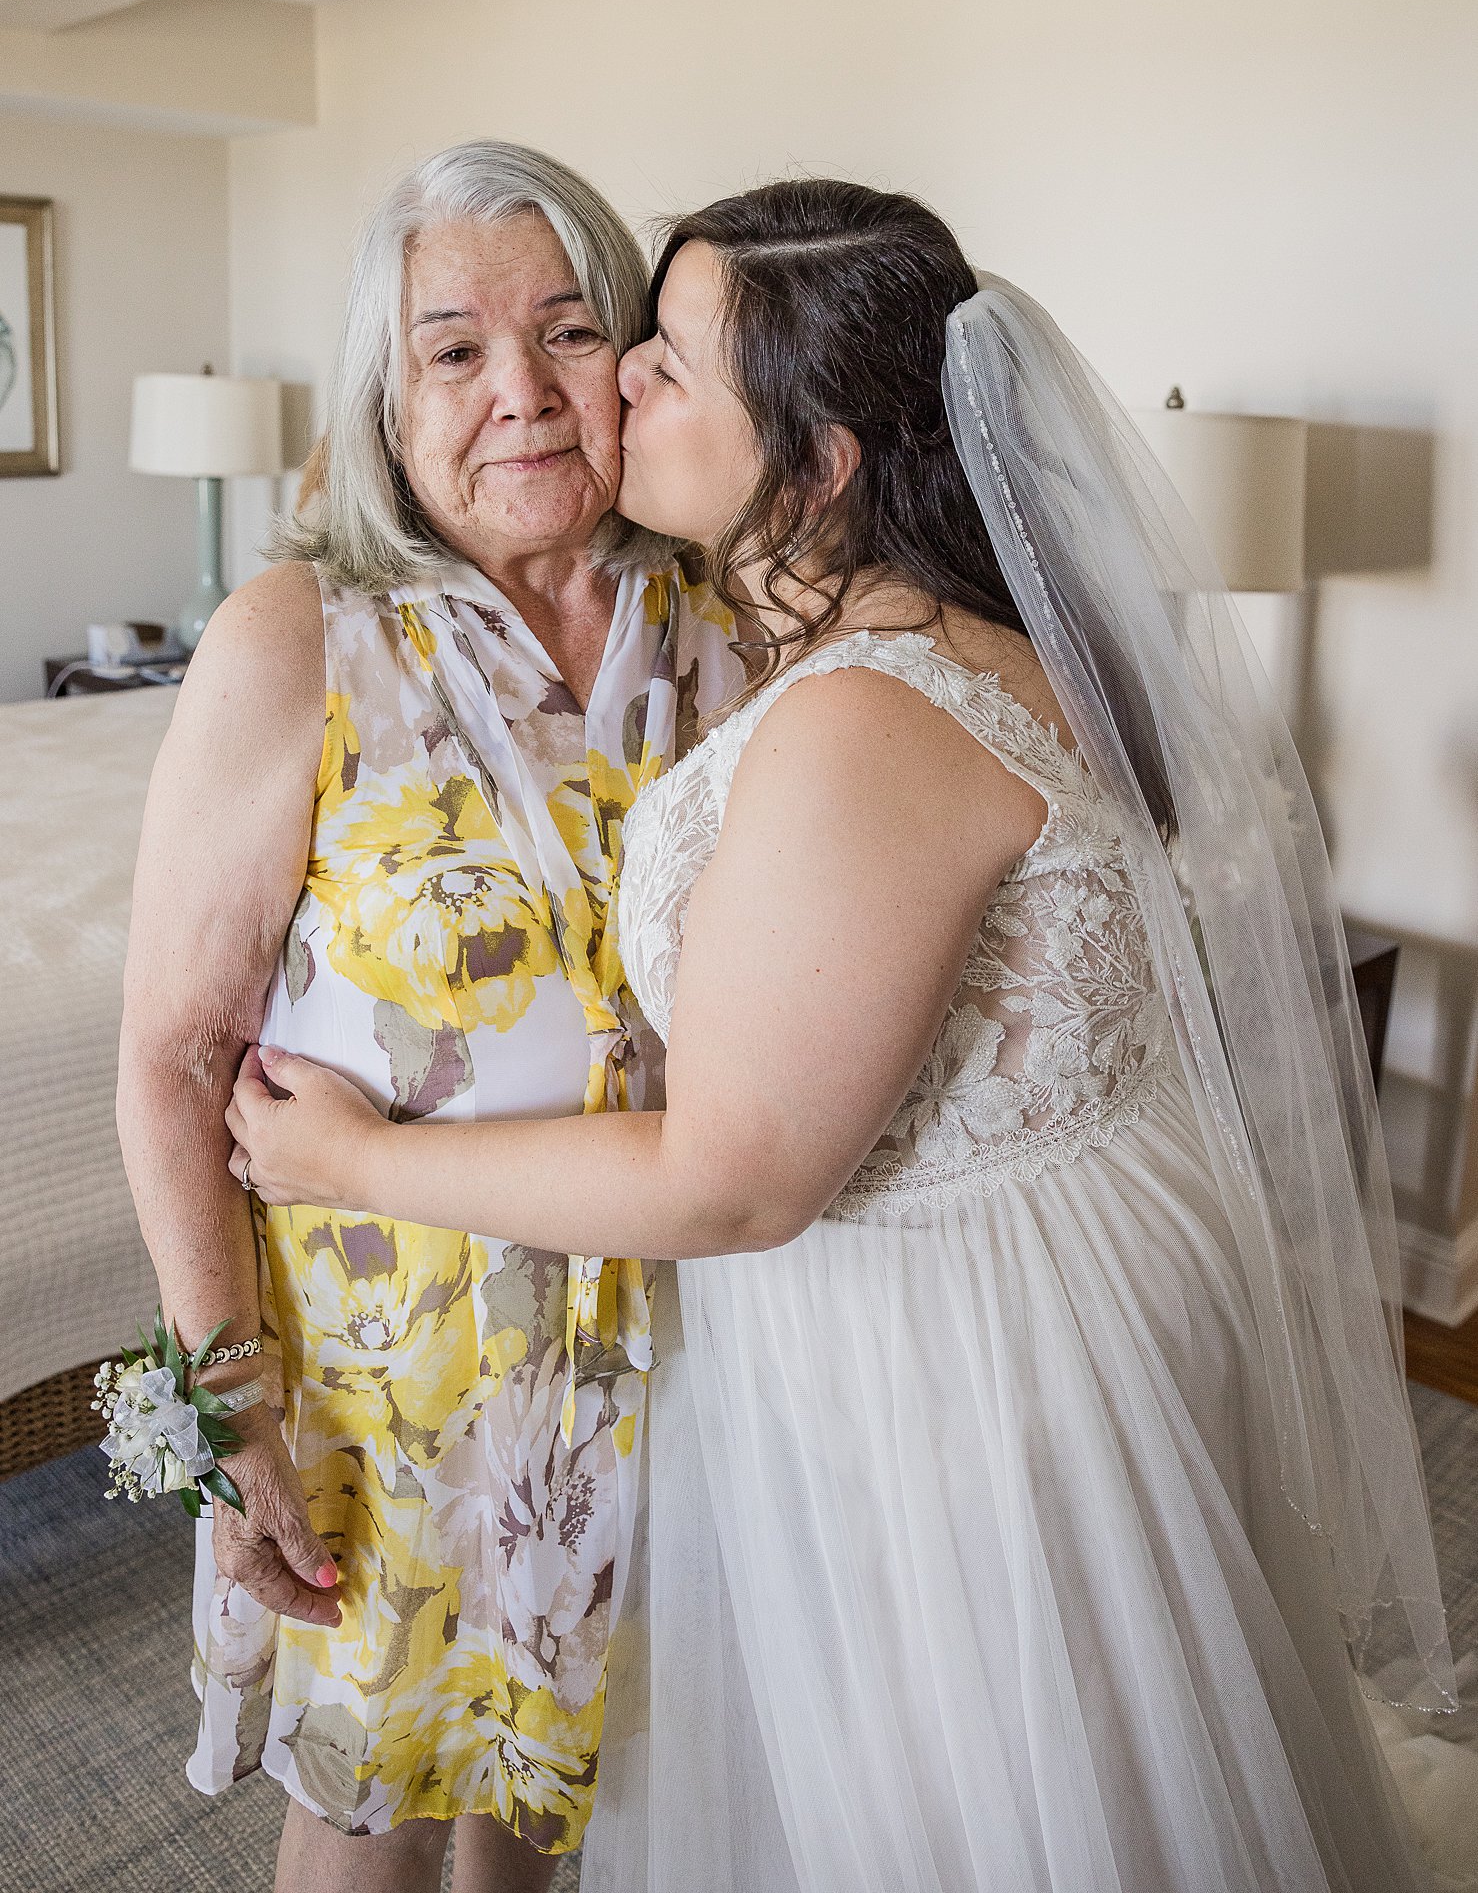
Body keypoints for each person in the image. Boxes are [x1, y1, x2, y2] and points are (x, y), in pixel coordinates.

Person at [225, 178, 1473, 1892]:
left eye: (655, 359)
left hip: (942, 1354)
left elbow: (736, 1180)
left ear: (811, 465)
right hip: (1059, 1272)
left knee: (963, 1791)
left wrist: (352, 1155)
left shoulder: (861, 719)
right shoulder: (956, 645)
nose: (608, 395)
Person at [116, 140, 737, 1893]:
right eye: (454, 350)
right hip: (391, 1378)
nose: (521, 396)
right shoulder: (295, 637)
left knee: (549, 1796)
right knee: (371, 1811)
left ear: (633, 363)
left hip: (675, 1341)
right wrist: (230, 1410)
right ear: (389, 393)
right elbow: (171, 1059)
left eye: (563, 333)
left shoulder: (718, 624)